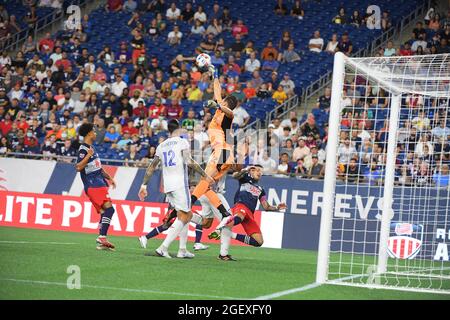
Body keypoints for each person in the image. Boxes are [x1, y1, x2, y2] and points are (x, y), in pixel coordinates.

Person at [138, 119, 213, 258]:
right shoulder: (182, 142)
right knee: (186, 215)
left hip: (168, 186)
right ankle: (163, 248)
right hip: (180, 183)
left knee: (183, 215)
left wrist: (143, 185)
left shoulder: (161, 145)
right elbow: (189, 161)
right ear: (178, 129)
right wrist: (205, 175)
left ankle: (182, 250)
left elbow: (152, 166)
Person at [190, 63, 239, 221]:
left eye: (223, 101)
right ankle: (224, 215)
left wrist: (218, 105)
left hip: (223, 153)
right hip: (220, 153)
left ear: (226, 104)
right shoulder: (219, 109)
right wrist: (215, 73)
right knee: (207, 184)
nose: (220, 100)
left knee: (206, 182)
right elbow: (217, 90)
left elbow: (230, 113)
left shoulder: (228, 117)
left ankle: (189, 203)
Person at [209, 165, 286, 249]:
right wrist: (246, 170)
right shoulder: (244, 178)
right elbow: (235, 175)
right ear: (251, 171)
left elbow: (266, 207)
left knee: (258, 242)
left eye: (261, 171)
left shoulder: (261, 190)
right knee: (239, 217)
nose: (259, 173)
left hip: (250, 215)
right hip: (241, 206)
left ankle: (230, 234)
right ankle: (219, 228)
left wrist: (277, 207)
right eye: (257, 170)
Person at [76, 123, 117, 250]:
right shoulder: (84, 149)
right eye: (93, 131)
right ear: (88, 133)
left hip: (99, 183)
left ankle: (102, 240)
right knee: (109, 210)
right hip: (93, 185)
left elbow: (98, 167)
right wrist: (88, 155)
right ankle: (102, 237)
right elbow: (78, 167)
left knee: (105, 211)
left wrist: (110, 178)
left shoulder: (91, 147)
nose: (95, 133)